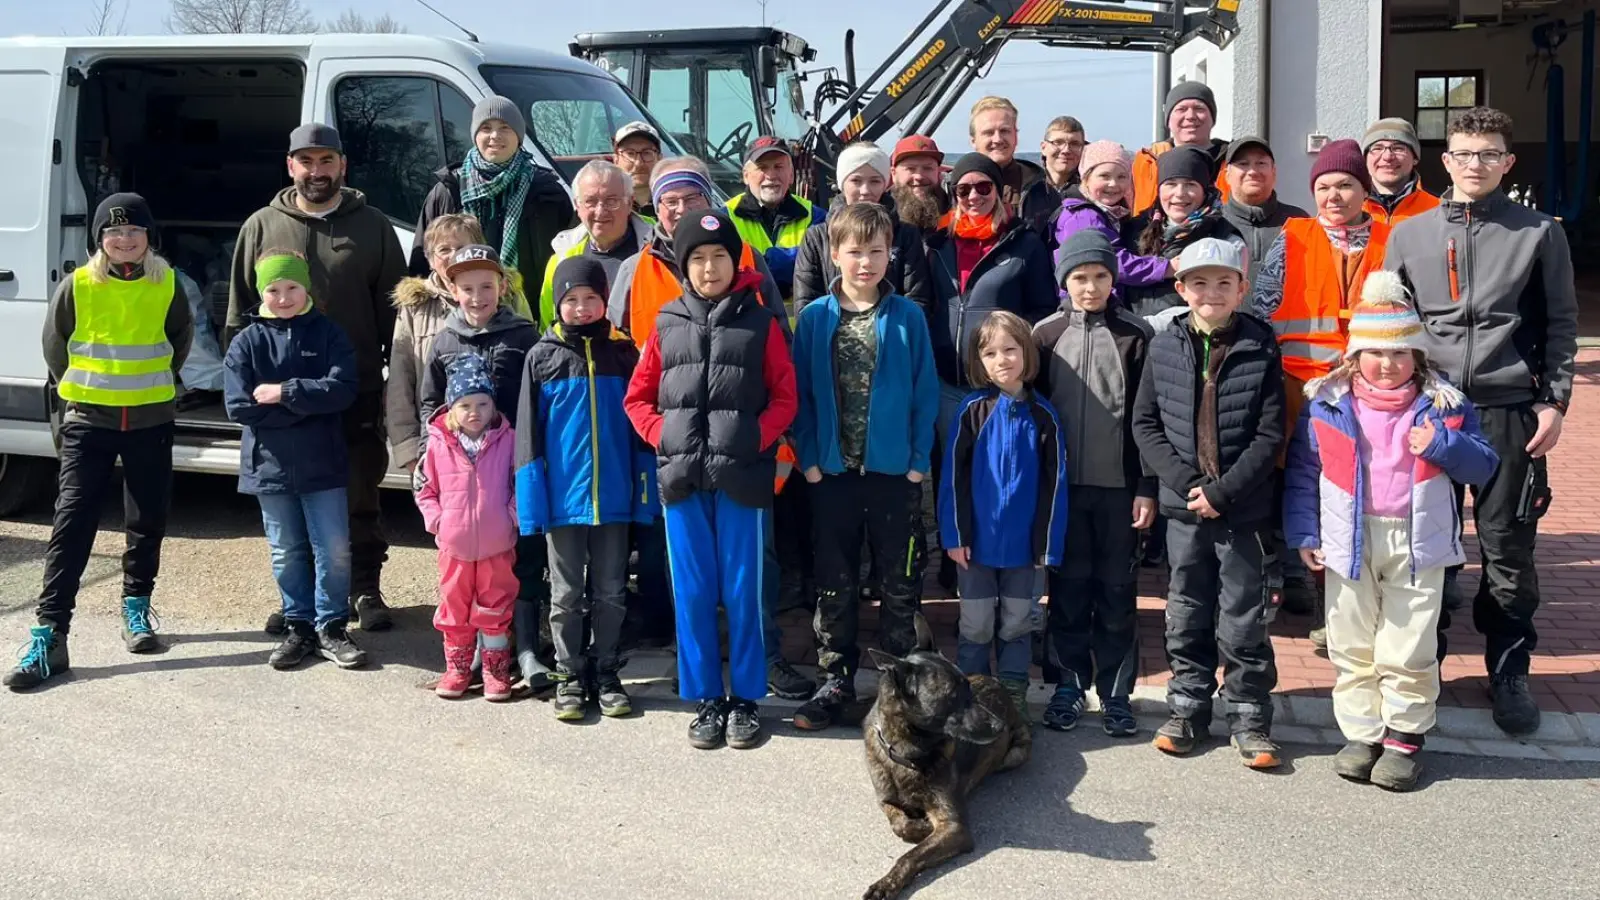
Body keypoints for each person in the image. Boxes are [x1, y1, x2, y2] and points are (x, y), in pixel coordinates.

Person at [1386, 106, 1579, 736]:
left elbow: (1559, 325)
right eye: (1465, 153)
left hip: (1507, 413)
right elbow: (1395, 328)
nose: (1476, 165)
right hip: (1433, 412)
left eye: (1489, 153)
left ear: (1507, 161)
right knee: (1427, 545)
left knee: (1507, 547)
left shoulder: (1539, 233)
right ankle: (1426, 664)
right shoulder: (1410, 234)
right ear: (1445, 160)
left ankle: (1509, 669)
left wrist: (1552, 401)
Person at [1284, 274, 1497, 791]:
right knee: (1351, 639)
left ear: (1417, 357)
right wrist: (1305, 533)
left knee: (1408, 643)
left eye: (1401, 353)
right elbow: (1303, 471)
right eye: (1376, 353)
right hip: (1347, 537)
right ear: (1355, 357)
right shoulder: (1327, 403)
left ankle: (1404, 736)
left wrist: (1443, 448)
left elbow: (1485, 466)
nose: (1388, 364)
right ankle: (1362, 733)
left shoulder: (1445, 404)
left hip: (1418, 541)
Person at [624, 210, 798, 751]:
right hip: (682, 482)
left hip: (742, 478)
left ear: (735, 260)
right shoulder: (666, 322)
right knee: (694, 593)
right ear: (683, 266)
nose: (708, 267)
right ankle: (705, 699)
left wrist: (754, 437)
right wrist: (662, 434)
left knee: (744, 592)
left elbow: (785, 397)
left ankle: (745, 698)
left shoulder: (762, 322)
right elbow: (637, 397)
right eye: (696, 259)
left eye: (718, 256)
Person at [5, 194, 193, 691]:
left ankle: (136, 608)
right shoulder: (79, 284)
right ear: (100, 240)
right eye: (113, 233)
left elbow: (180, 340)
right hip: (89, 419)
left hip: (150, 419)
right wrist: (88, 389)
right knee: (72, 522)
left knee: (147, 517)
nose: (124, 241)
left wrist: (153, 386)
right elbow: (56, 344)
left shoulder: (168, 283)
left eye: (134, 232)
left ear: (149, 237)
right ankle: (51, 634)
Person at [605, 156, 787, 660]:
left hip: (740, 450)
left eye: (691, 198)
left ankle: (763, 661)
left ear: (710, 202)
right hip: (673, 446)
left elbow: (779, 360)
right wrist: (658, 433)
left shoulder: (746, 255)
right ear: (655, 207)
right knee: (681, 565)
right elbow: (627, 362)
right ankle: (691, 668)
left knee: (753, 563)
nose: (679, 208)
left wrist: (761, 436)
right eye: (668, 201)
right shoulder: (634, 268)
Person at [228, 123, 406, 633]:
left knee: (357, 490)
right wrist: (242, 384)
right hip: (276, 400)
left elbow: (393, 312)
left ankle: (365, 588)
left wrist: (388, 382)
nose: (316, 172)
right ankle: (298, 602)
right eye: (306, 162)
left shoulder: (371, 226)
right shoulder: (261, 226)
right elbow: (240, 315)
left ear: (342, 166)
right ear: (291, 167)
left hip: (351, 389)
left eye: (326, 161)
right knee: (290, 500)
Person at [1131, 237, 1284, 769]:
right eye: (1199, 282)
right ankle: (1188, 706)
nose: (1211, 292)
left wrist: (1222, 492)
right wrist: (1186, 484)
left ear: (1242, 288)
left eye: (1224, 282)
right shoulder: (1164, 345)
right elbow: (1145, 424)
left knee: (1243, 615)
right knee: (1187, 608)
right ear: (1180, 289)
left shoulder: (1261, 345)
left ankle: (1248, 714)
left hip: (1242, 508)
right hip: (1183, 508)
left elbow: (1270, 434)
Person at [789, 203, 940, 732]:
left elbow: (925, 393)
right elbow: (800, 396)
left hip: (895, 475)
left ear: (889, 255)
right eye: (855, 251)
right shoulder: (813, 319)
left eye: (876, 251)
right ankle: (836, 680)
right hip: (831, 475)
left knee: (899, 582)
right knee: (836, 581)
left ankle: (898, 684)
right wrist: (808, 459)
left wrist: (917, 463)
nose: (865, 262)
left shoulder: (908, 318)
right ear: (834, 255)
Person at [1253, 139, 1393, 645]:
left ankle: (1346, 603)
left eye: (1345, 185)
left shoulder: (1391, 240)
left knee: (1353, 496)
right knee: (1297, 488)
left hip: (1365, 391)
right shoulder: (1293, 237)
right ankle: (1309, 591)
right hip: (1297, 388)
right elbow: (1261, 308)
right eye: (1324, 186)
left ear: (1364, 188)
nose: (1334, 196)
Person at [517, 256, 655, 721]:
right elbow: (528, 437)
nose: (581, 307)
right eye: (571, 300)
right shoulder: (543, 356)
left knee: (612, 590)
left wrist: (643, 492)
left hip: (615, 498)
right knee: (566, 593)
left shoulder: (624, 352)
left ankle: (607, 670)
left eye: (591, 298)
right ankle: (569, 673)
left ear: (604, 300)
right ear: (558, 304)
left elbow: (640, 428)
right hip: (562, 501)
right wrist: (532, 501)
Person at [1033, 230, 1155, 736]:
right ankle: (1066, 684)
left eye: (1100, 276)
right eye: (1080, 278)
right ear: (1065, 281)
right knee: (1067, 588)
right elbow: (1034, 416)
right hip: (1064, 491)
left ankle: (1115, 690)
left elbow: (1149, 419)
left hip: (1119, 489)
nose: (1090, 287)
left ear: (1114, 278)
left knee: (1116, 589)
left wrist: (1146, 485)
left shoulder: (1136, 334)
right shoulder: (1043, 334)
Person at [223, 249, 366, 672]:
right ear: (261, 291)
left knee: (334, 549)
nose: (283, 298)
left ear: (307, 288)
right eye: (273, 289)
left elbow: (343, 390)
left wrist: (285, 392)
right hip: (270, 465)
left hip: (324, 462)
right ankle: (299, 625)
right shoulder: (246, 342)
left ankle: (332, 626)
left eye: (291, 288)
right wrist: (309, 406)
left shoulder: (328, 334)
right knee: (286, 550)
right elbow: (239, 406)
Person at [418, 245, 546, 685]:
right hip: (463, 471)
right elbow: (431, 403)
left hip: (514, 463)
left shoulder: (523, 336)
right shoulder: (445, 339)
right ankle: (471, 653)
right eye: (467, 288)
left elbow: (539, 398)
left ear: (502, 288)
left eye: (486, 287)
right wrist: (430, 452)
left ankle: (525, 646)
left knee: (521, 562)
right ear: (453, 291)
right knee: (467, 575)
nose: (477, 296)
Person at [940, 310, 1068, 721]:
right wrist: (955, 535)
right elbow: (952, 479)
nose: (1002, 360)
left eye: (1010, 349)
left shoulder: (1044, 415)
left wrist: (1046, 546)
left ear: (1026, 354)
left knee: (1017, 624)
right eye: (990, 352)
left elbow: (1055, 483)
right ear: (979, 361)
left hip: (1023, 550)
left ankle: (1012, 692)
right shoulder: (971, 411)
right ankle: (974, 691)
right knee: (975, 626)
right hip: (975, 546)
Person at [387, 214, 531, 474]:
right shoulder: (416, 308)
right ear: (430, 259)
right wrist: (413, 451)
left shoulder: (510, 301)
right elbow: (402, 383)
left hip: (508, 455)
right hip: (447, 457)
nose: (453, 255)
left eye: (461, 248)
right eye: (444, 249)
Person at [414, 355, 520, 701]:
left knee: (495, 606)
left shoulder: (508, 440)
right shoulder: (438, 443)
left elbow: (521, 484)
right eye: (465, 405)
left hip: (496, 543)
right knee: (454, 606)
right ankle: (458, 668)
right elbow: (424, 488)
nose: (474, 412)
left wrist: (510, 517)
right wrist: (438, 522)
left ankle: (494, 670)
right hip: (454, 545)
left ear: (493, 405)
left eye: (482, 404)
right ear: (451, 409)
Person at [411, 95, 574, 301]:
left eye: (505, 127)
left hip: (526, 313)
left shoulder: (547, 193)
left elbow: (565, 261)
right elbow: (422, 260)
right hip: (456, 314)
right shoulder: (448, 190)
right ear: (475, 135)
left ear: (519, 137)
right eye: (486, 128)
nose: (495, 136)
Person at [793, 141, 934, 312]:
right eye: (856, 180)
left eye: (875, 181)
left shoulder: (907, 235)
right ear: (841, 183)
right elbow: (806, 305)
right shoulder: (817, 238)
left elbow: (917, 299)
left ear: (885, 184)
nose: (865, 190)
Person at [1121, 146, 1246, 329]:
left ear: (1205, 190)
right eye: (1171, 184)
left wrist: (1153, 325)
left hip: (1189, 343)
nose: (1179, 193)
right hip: (1133, 342)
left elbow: (1224, 304)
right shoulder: (1132, 229)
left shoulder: (1225, 238)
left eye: (1190, 184)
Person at [540, 160, 656, 327]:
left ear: (630, 203)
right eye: (591, 201)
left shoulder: (658, 252)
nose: (601, 211)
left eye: (611, 201)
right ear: (577, 206)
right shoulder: (561, 260)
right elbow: (549, 328)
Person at [1051, 140, 1173, 296]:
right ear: (1086, 178)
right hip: (1089, 306)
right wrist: (1165, 268)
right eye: (1104, 176)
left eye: (1122, 176)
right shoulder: (1084, 217)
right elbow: (1111, 261)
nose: (1113, 184)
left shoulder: (1108, 213)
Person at [727, 136, 825, 301]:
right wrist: (799, 261)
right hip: (748, 325)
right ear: (745, 175)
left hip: (803, 325)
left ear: (792, 175)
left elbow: (825, 265)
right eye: (762, 168)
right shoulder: (725, 217)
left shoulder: (816, 217)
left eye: (779, 167)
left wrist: (761, 263)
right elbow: (728, 272)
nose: (771, 175)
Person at [1220, 137, 1308, 288]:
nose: (1253, 171)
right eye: (1243, 164)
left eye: (1261, 163)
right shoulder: (1214, 223)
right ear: (1227, 175)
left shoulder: (1299, 221)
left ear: (1274, 172)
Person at [1132, 82, 1231, 214]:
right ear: (1168, 119)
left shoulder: (1234, 159)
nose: (1190, 116)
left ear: (1212, 118)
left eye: (1199, 109)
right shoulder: (1149, 160)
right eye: (1181, 109)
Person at [967, 96, 1044, 213]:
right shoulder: (954, 188)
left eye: (1004, 131)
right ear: (973, 141)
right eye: (989, 132)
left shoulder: (1041, 187)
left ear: (1015, 137)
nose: (997, 139)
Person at [1363, 118, 1439, 226]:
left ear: (1415, 158)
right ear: (1365, 158)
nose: (1387, 157)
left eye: (1398, 148)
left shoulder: (1437, 210)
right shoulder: (1348, 208)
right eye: (1378, 148)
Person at [1022, 115, 1087, 230]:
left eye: (1074, 144)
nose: (1066, 150)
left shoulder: (1089, 191)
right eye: (1058, 142)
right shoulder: (1027, 187)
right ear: (1043, 147)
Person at [889, 134, 949, 232]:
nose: (919, 176)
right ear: (894, 174)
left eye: (927, 168)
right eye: (910, 168)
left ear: (938, 172)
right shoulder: (880, 220)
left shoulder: (957, 216)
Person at [613, 120, 664, 220]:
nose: (638, 163)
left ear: (659, 158)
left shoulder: (672, 205)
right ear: (616, 160)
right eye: (630, 153)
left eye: (646, 153)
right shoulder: (604, 207)